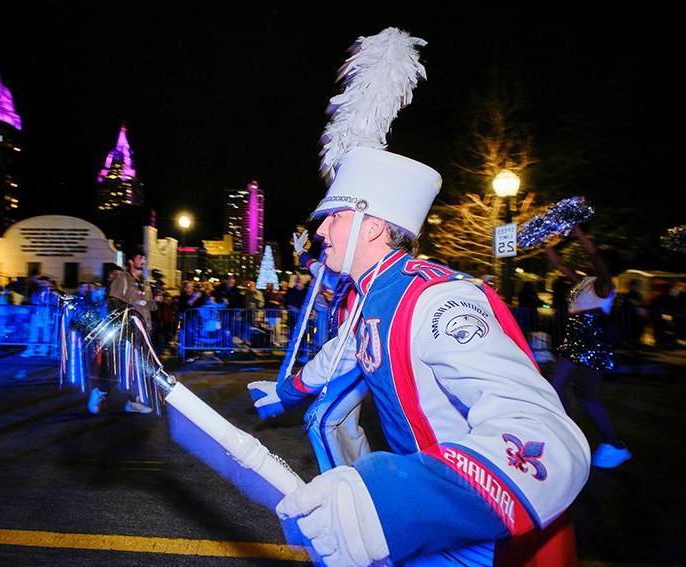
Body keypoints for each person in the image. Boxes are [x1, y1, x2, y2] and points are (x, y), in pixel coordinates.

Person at [250, 147, 590, 565]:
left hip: (466, 531)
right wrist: (286, 390)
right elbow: (339, 356)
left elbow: (544, 433)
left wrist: (400, 495)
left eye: (334, 217)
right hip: (432, 526)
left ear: (371, 228)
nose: (321, 231)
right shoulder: (370, 295)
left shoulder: (436, 299)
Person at [544, 227, 632, 468]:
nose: (587, 259)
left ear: (605, 264)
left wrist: (578, 231)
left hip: (593, 345)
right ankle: (566, 435)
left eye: (595, 258)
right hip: (573, 340)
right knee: (556, 388)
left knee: (586, 396)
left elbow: (593, 254)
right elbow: (559, 265)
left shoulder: (605, 284)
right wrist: (545, 242)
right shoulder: (585, 282)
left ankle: (615, 444)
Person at [89, 247, 158, 414]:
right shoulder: (122, 280)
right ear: (131, 261)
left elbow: (151, 306)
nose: (143, 261)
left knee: (137, 369)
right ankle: (99, 392)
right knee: (116, 368)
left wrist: (151, 303)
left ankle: (134, 402)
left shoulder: (144, 282)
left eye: (144, 258)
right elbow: (114, 304)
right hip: (125, 332)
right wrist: (130, 314)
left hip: (142, 333)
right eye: (140, 257)